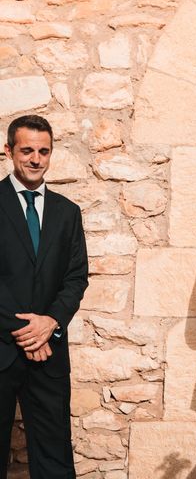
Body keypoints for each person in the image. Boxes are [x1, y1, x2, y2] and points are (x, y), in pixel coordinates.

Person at [0, 115, 88, 479]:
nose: (36, 159)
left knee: (54, 460)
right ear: (8, 151)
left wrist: (50, 323)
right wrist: (26, 331)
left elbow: (76, 277)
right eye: (27, 150)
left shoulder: (68, 213)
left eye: (43, 151)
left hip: (49, 354)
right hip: (1, 348)